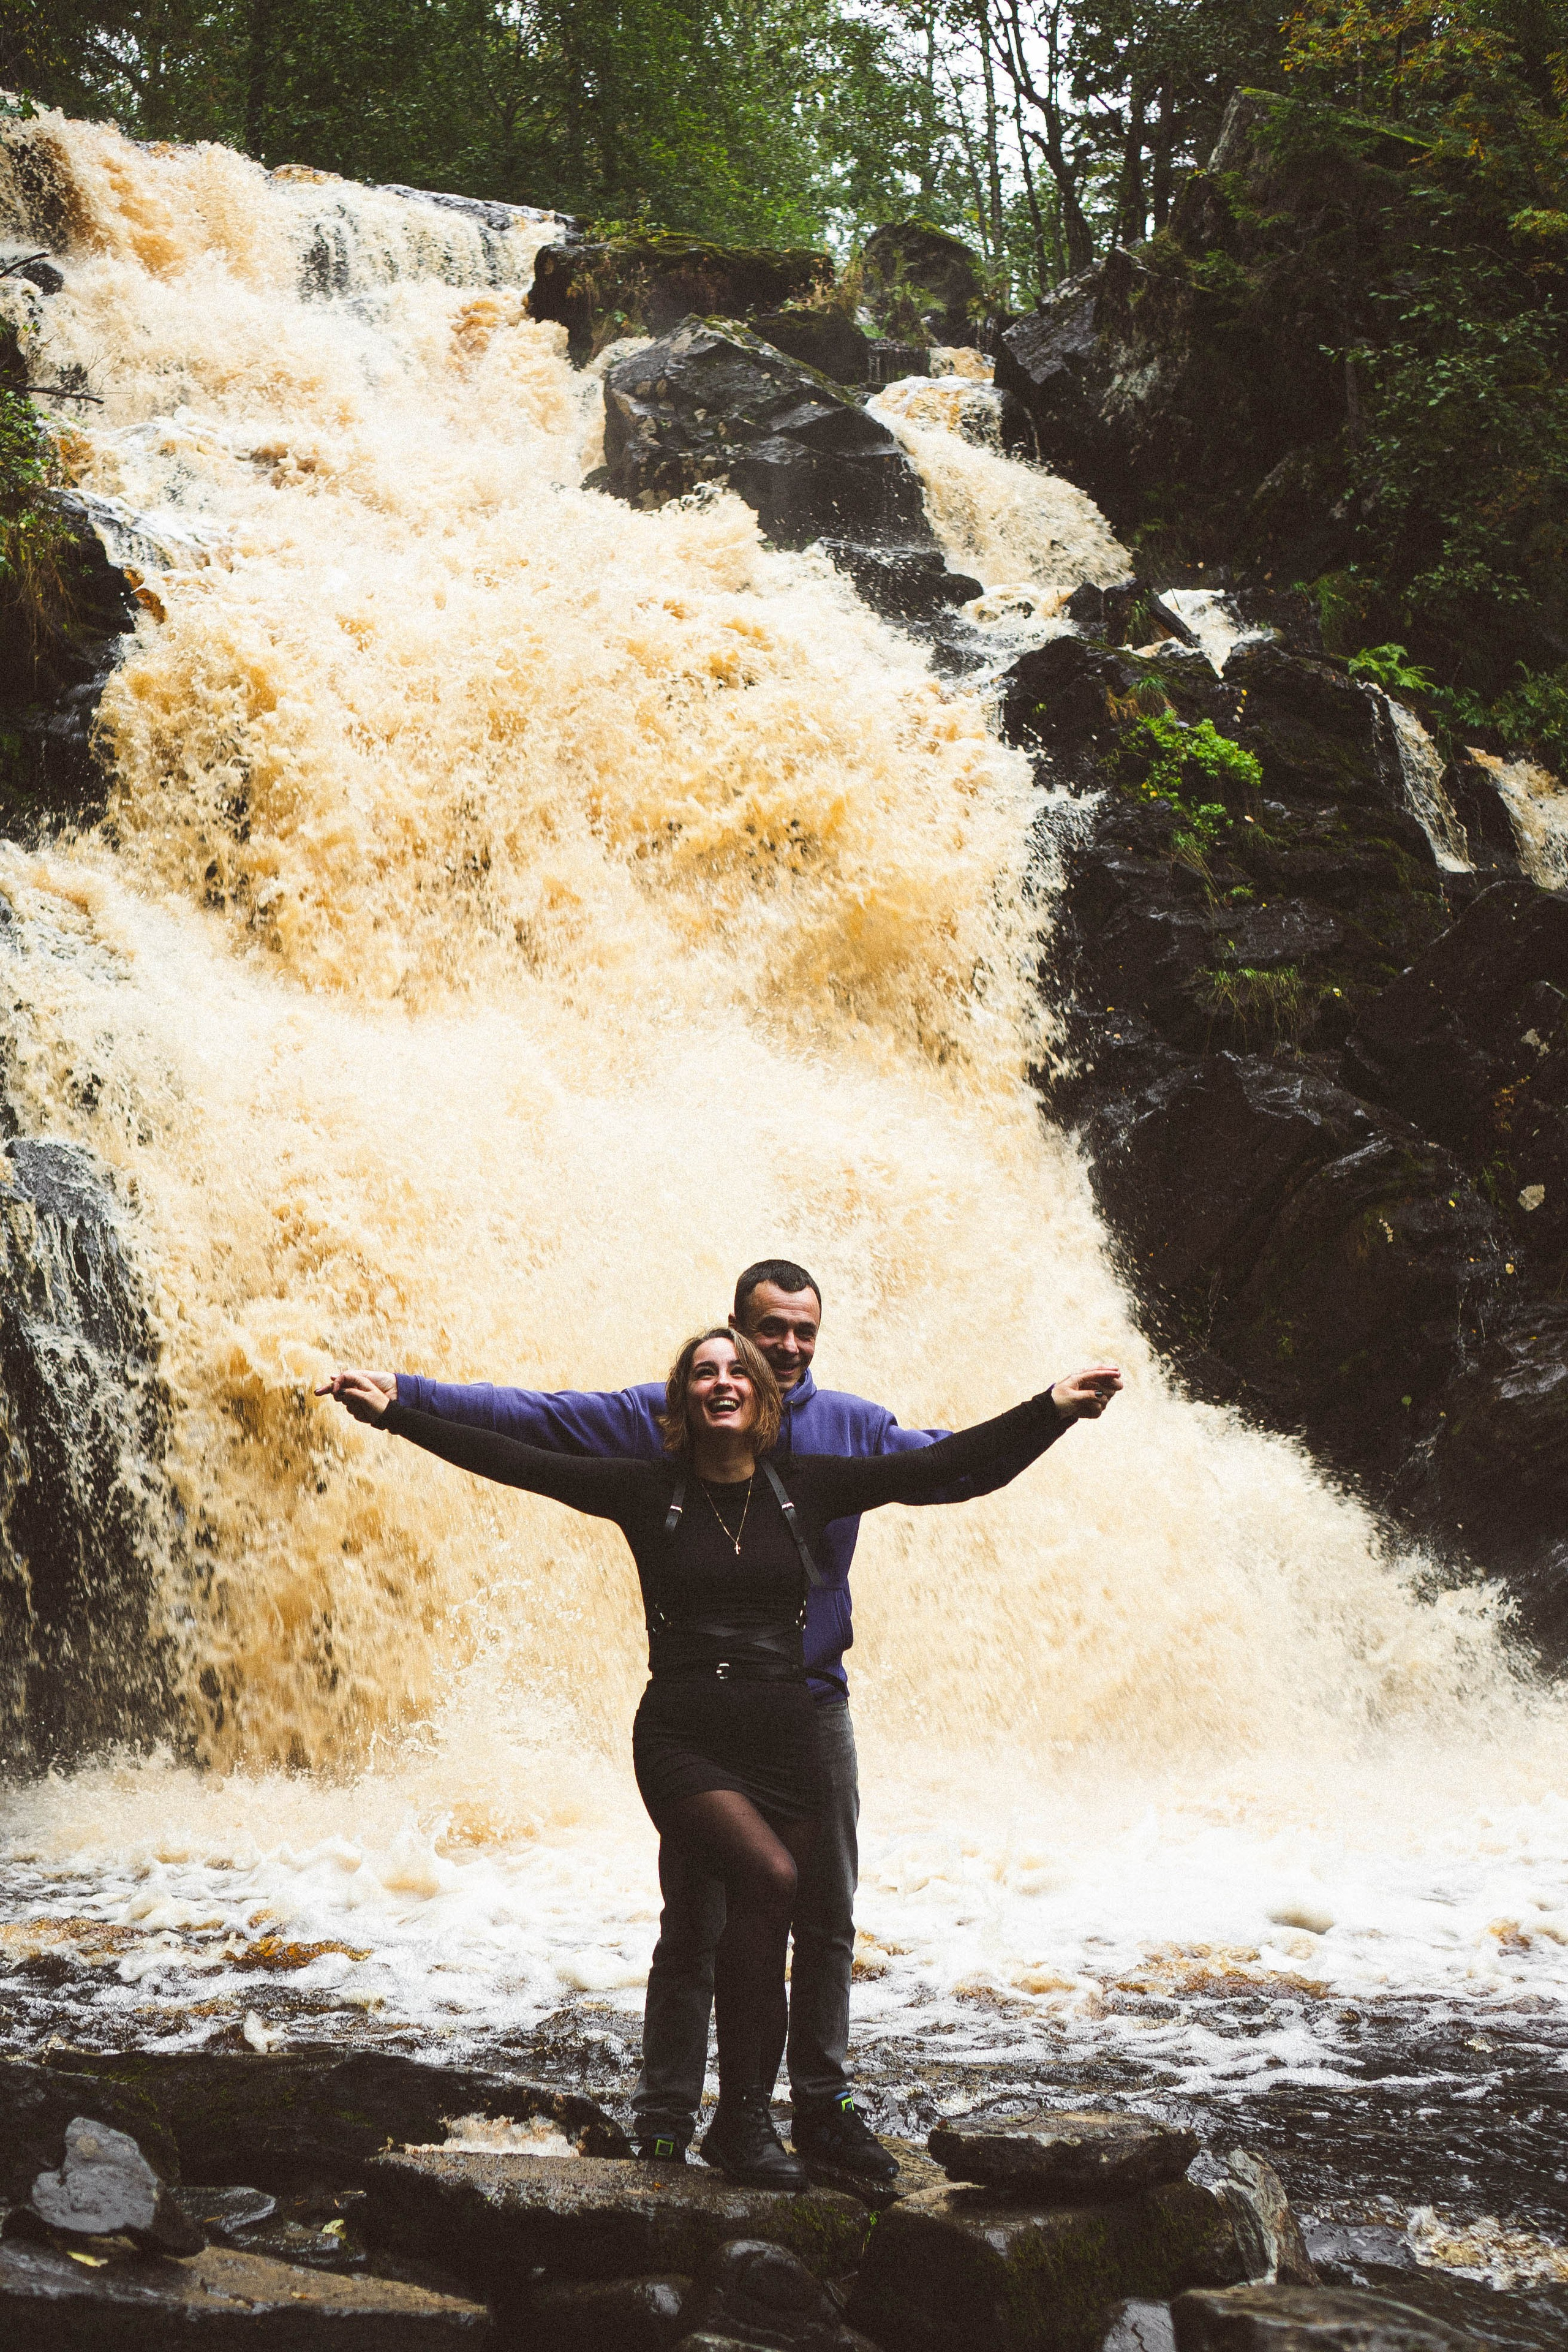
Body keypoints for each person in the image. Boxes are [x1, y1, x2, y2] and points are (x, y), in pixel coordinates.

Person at [322, 1260, 1122, 2178]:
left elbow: (947, 1467)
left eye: (792, 1340)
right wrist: (402, 1408)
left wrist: (1052, 1408)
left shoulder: (823, 1465)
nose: (756, 1365)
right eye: (731, 1356)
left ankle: (770, 2118)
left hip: (797, 1725)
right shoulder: (645, 1472)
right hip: (689, 1733)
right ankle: (671, 2114)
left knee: (798, 1916)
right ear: (716, 1354)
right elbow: (523, 1447)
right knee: (722, 1904)